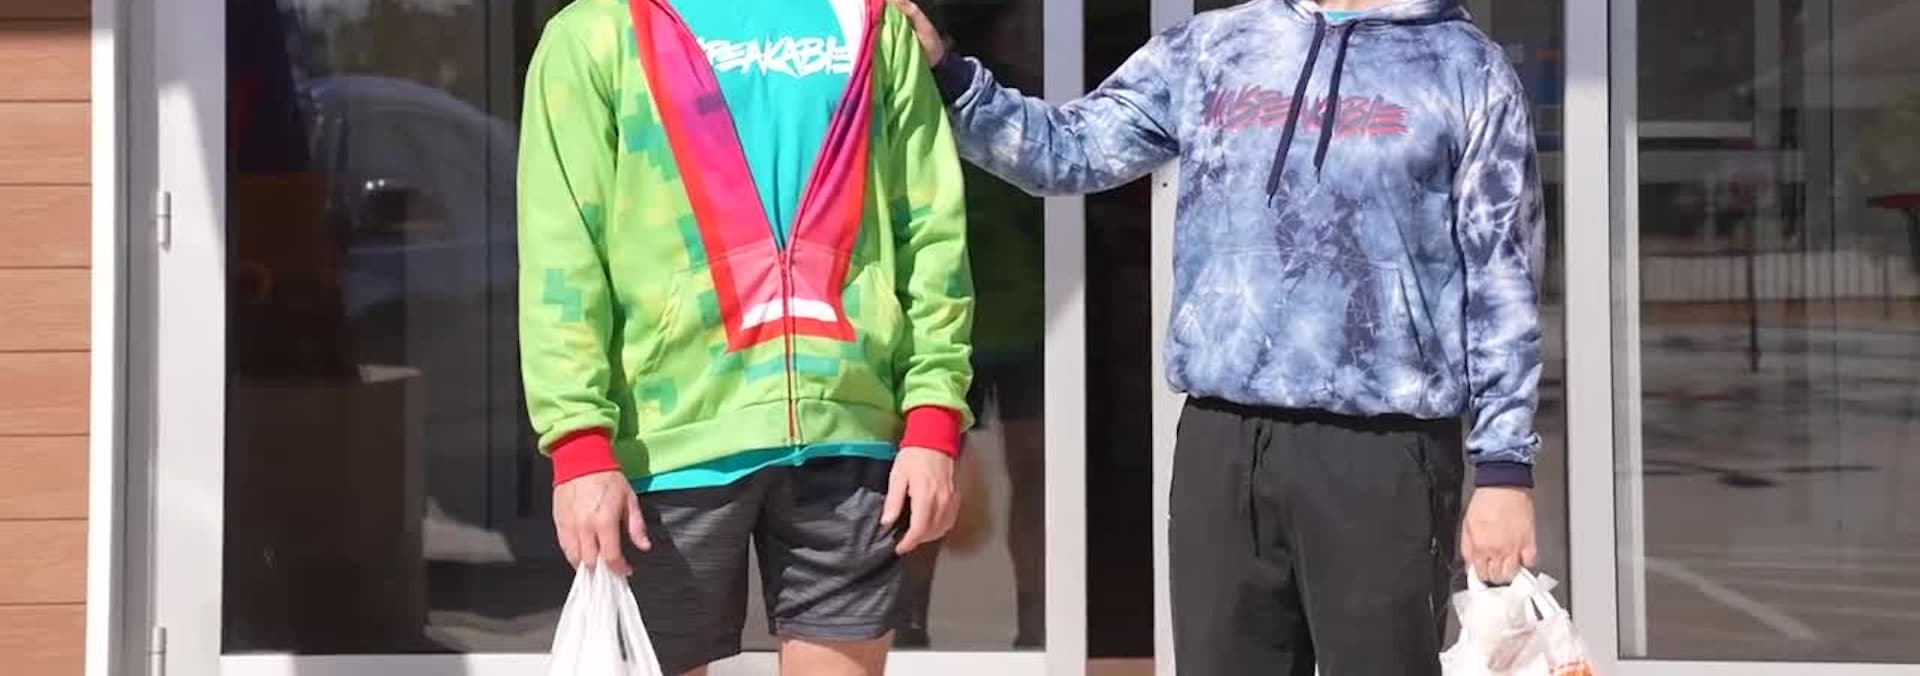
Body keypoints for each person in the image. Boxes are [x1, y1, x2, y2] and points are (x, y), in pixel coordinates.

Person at [893, 0, 1546, 673]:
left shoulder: (1464, 68)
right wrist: (949, 75)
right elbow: (1069, 150)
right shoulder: (1216, 47)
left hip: (1383, 450)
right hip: (1224, 442)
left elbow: (1503, 276)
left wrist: (1504, 469)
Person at [516, 0, 975, 672]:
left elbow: (932, 232)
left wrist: (933, 420)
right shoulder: (595, 31)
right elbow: (562, 252)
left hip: (849, 430)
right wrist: (579, 444)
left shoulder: (872, 21)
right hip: (668, 442)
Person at [893, 0, 1049, 651]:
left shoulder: (1012, 105)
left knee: (1029, 479)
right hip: (960, 325)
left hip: (1023, 324)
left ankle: (1035, 625)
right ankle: (911, 625)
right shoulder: (904, 100)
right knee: (936, 478)